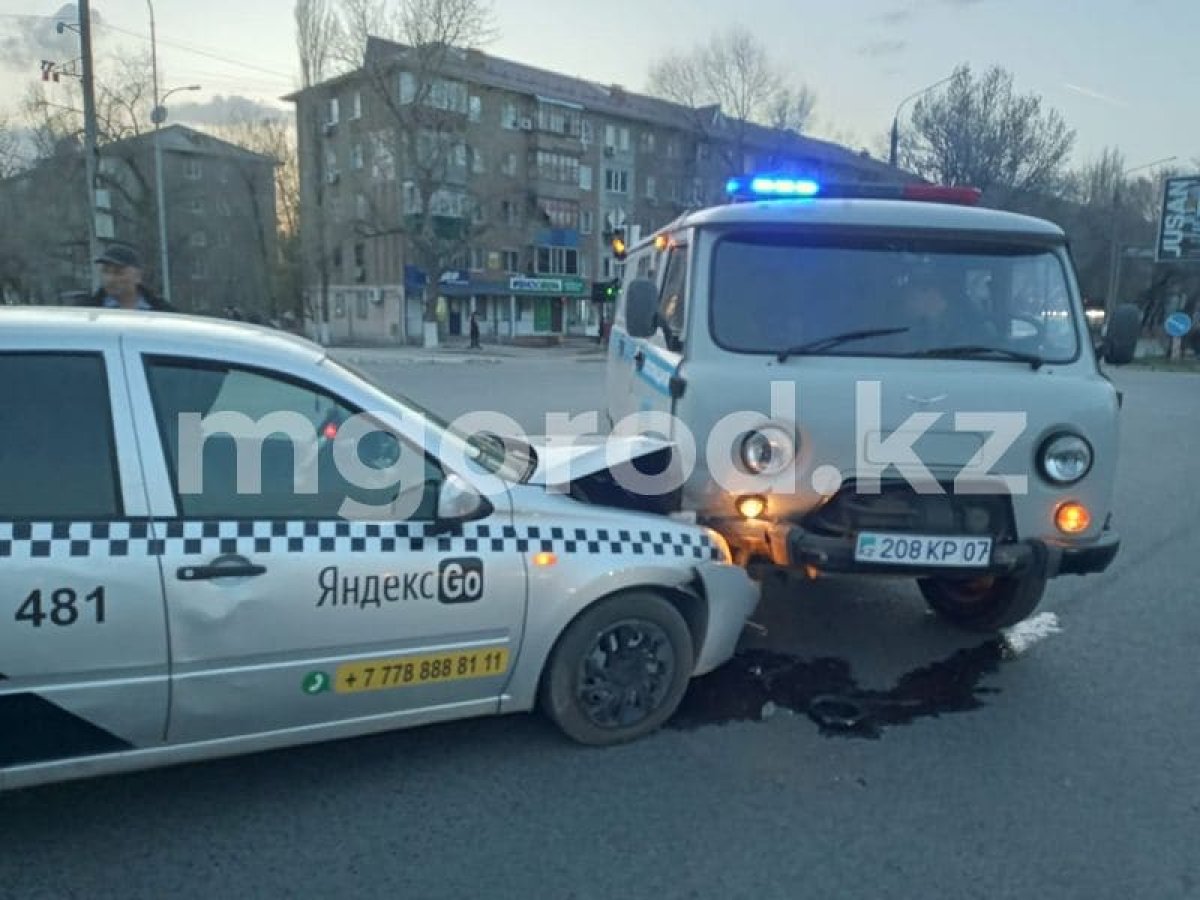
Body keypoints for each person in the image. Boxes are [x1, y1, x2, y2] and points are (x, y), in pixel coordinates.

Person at [83, 244, 173, 311]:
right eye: (105, 271)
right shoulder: (87, 311)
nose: (110, 279)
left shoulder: (163, 311)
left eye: (118, 272)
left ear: (138, 276)